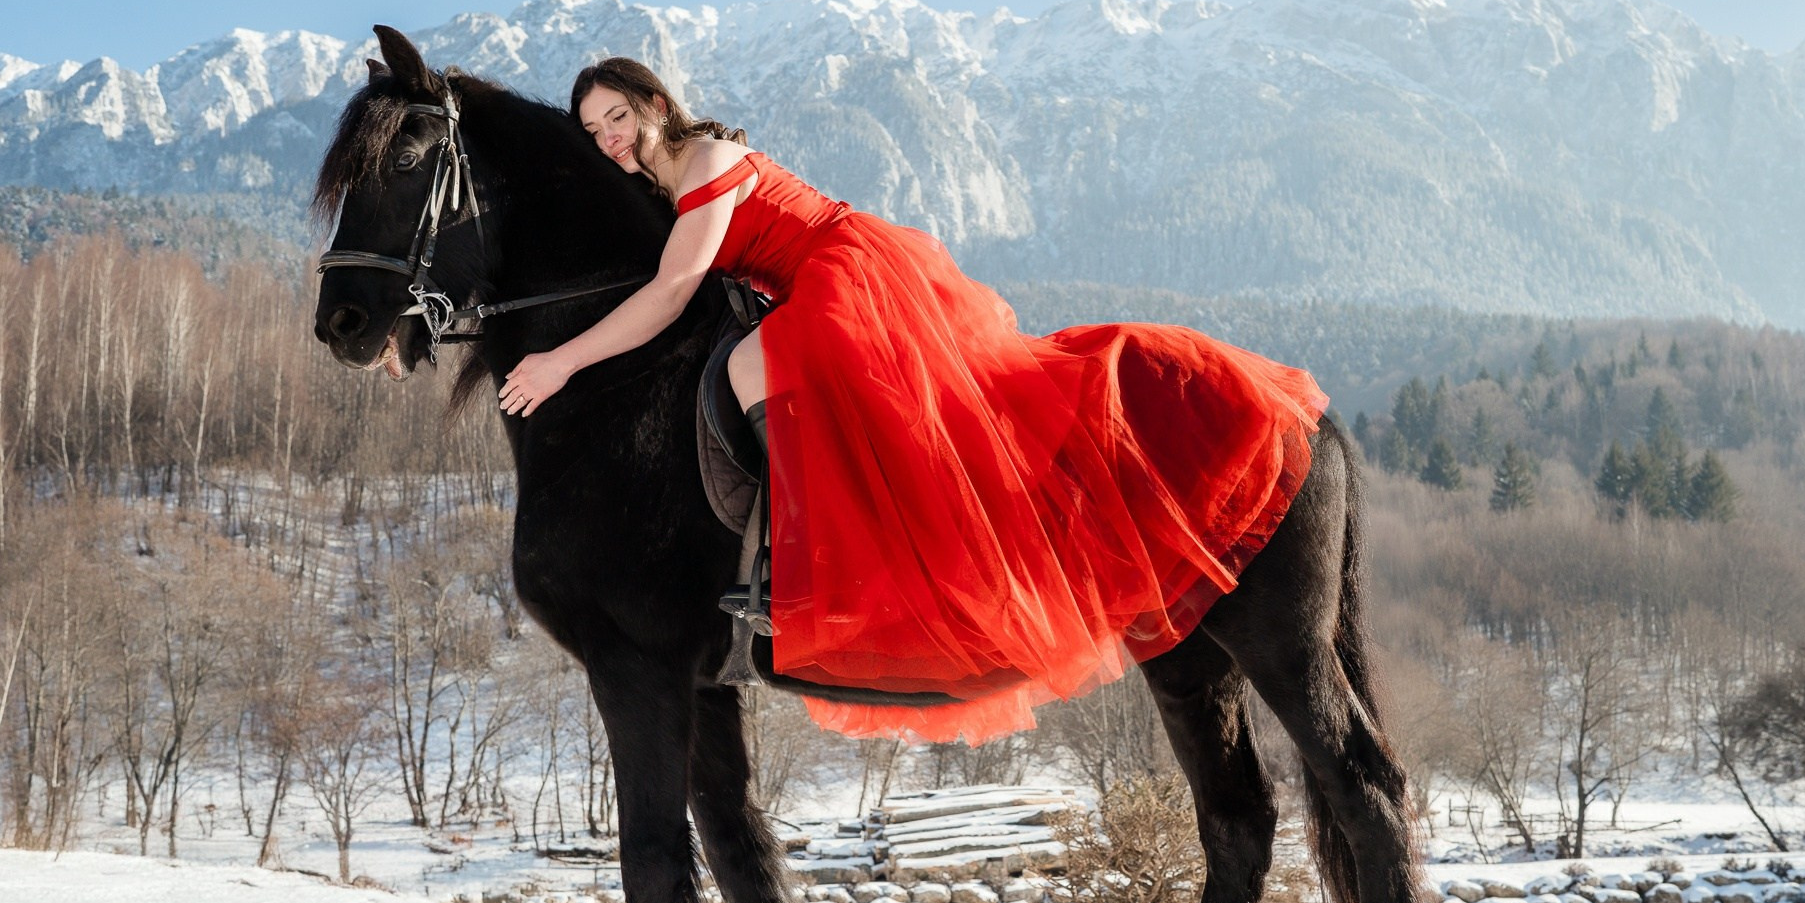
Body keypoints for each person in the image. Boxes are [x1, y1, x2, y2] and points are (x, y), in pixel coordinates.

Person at [497, 58, 1329, 744]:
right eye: (594, 130)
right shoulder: (665, 177)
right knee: (753, 364)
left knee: (751, 369)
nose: (608, 139)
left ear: (653, 102)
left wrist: (559, 364)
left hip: (840, 270)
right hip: (816, 277)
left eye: (616, 117)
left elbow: (672, 291)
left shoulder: (705, 162)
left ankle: (787, 560)